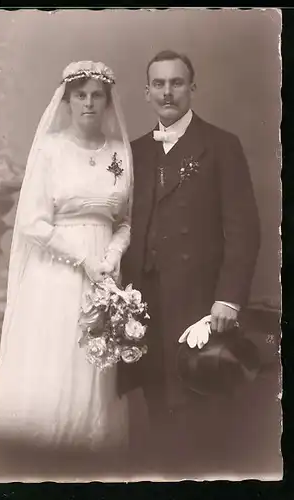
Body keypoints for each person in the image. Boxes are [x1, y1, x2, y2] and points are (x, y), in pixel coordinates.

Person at [0, 61, 133, 476]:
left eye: (96, 95)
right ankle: (38, 460)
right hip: (57, 273)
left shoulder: (119, 154)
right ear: (67, 101)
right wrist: (85, 258)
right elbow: (33, 223)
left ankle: (86, 462)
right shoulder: (50, 150)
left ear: (107, 102)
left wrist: (112, 255)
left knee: (94, 363)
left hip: (104, 275)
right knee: (55, 358)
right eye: (80, 95)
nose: (88, 102)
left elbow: (124, 221)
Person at [119, 50, 261, 473]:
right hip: (146, 304)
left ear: (192, 88)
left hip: (198, 303)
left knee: (198, 408)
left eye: (176, 83)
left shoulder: (220, 146)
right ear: (146, 92)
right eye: (158, 84)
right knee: (157, 403)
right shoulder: (135, 152)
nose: (167, 92)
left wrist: (229, 299)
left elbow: (244, 231)